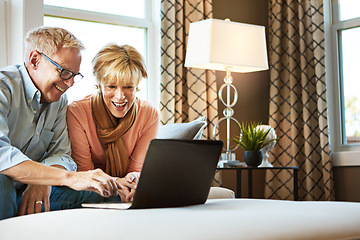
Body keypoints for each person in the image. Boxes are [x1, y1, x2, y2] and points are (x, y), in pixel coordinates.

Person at [0, 27, 122, 220]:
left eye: (75, 75)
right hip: (3, 187)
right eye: (65, 72)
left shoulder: (59, 101)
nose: (71, 83)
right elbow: (2, 154)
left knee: (107, 195)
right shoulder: (3, 88)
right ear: (34, 60)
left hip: (27, 191)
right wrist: (64, 178)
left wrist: (42, 180)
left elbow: (61, 154)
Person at [66, 43, 159, 202]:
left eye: (128, 87)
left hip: (127, 189)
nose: (120, 96)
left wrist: (133, 180)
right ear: (99, 84)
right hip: (92, 190)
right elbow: (84, 172)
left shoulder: (149, 114)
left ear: (136, 86)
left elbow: (137, 169)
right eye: (111, 86)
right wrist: (117, 183)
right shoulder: (77, 112)